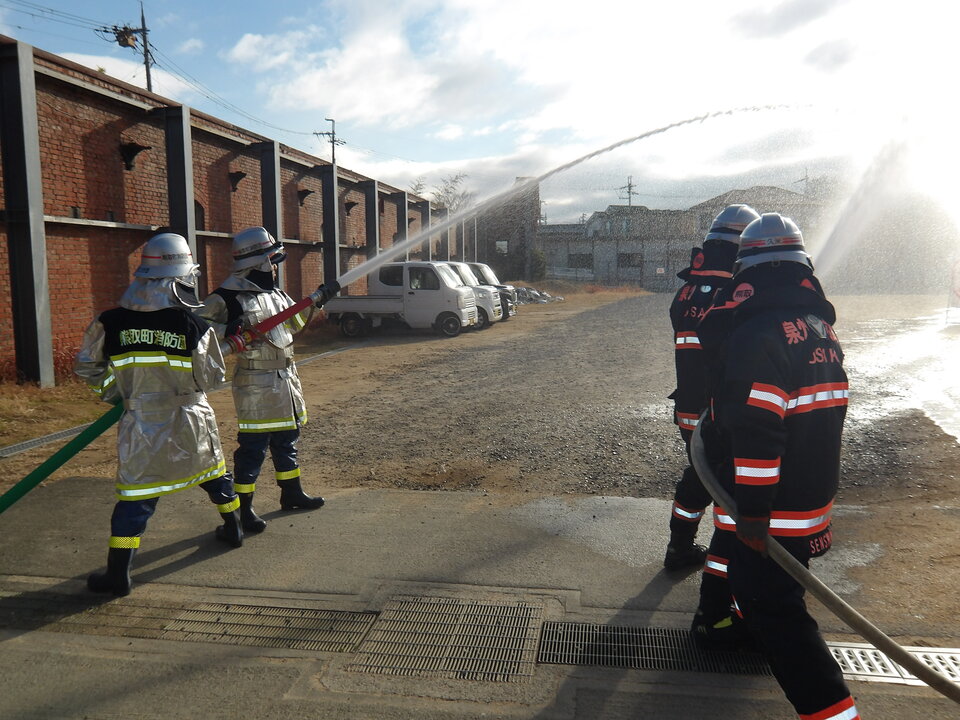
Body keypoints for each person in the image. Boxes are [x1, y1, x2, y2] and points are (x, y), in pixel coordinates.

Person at [699, 213, 860, 719]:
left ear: (747, 270)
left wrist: (752, 510)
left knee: (783, 621)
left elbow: (758, 431)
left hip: (775, 510)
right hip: (811, 498)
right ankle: (748, 629)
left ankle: (834, 712)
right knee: (773, 597)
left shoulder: (758, 334)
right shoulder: (818, 328)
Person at [75, 232, 247, 597]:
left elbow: (88, 368)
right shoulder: (193, 325)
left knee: (136, 497)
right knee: (213, 475)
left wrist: (119, 394)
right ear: (182, 278)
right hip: (190, 418)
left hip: (141, 423)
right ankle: (234, 528)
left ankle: (118, 575)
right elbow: (212, 377)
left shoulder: (110, 321)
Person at [198, 226, 339, 533]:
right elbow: (197, 331)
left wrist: (316, 303)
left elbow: (292, 325)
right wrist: (227, 331)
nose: (275, 267)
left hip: (286, 377)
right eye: (272, 261)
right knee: (253, 448)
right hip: (256, 384)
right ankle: (243, 509)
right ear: (258, 262)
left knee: (287, 440)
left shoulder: (276, 293)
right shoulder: (226, 297)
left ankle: (291, 493)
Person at [664, 204, 759, 571]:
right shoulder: (736, 291)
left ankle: (679, 548)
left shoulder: (689, 289)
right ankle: (726, 570)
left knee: (699, 474)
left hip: (689, 405)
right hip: (721, 409)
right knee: (726, 485)